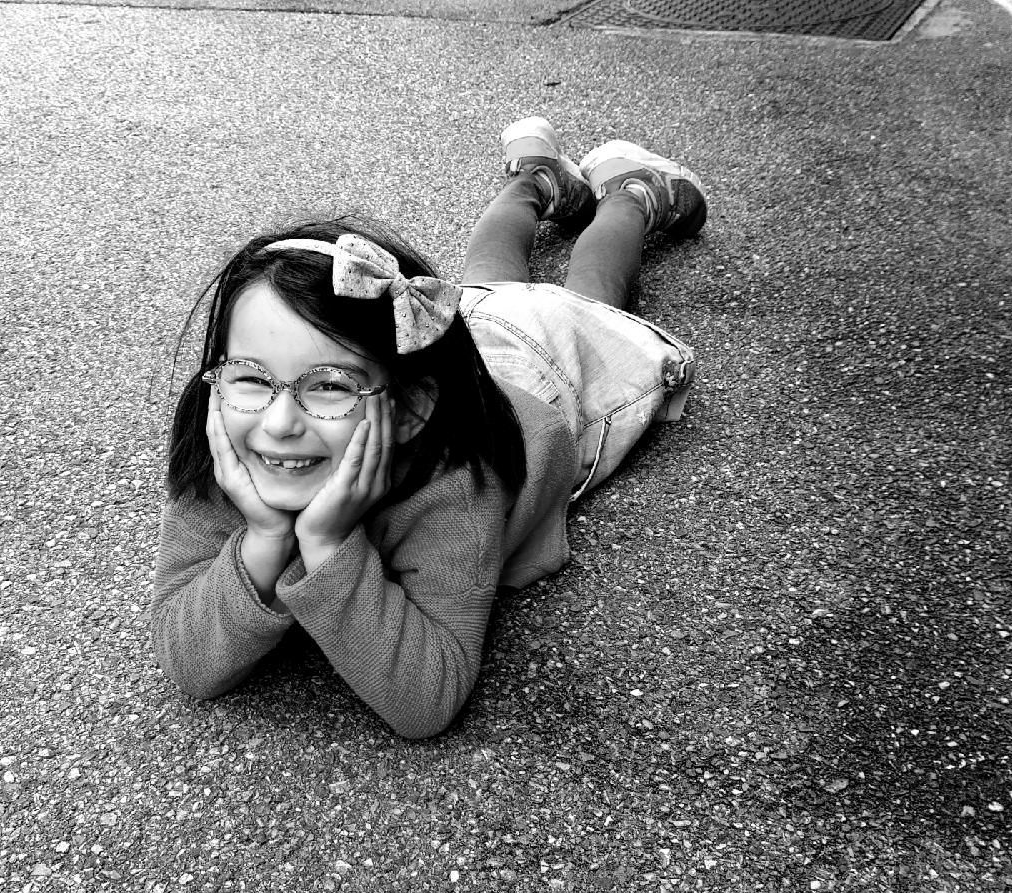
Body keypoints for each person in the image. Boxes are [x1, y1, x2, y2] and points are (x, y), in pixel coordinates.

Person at [151, 116, 706, 740]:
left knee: (589, 291)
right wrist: (264, 539)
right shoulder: (224, 448)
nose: (278, 425)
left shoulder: (456, 479)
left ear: (413, 409)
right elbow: (187, 661)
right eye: (250, 376)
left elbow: (426, 701)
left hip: (547, 372)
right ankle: (537, 182)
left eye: (329, 387)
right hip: (454, 337)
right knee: (488, 280)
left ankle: (632, 194)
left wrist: (329, 544)